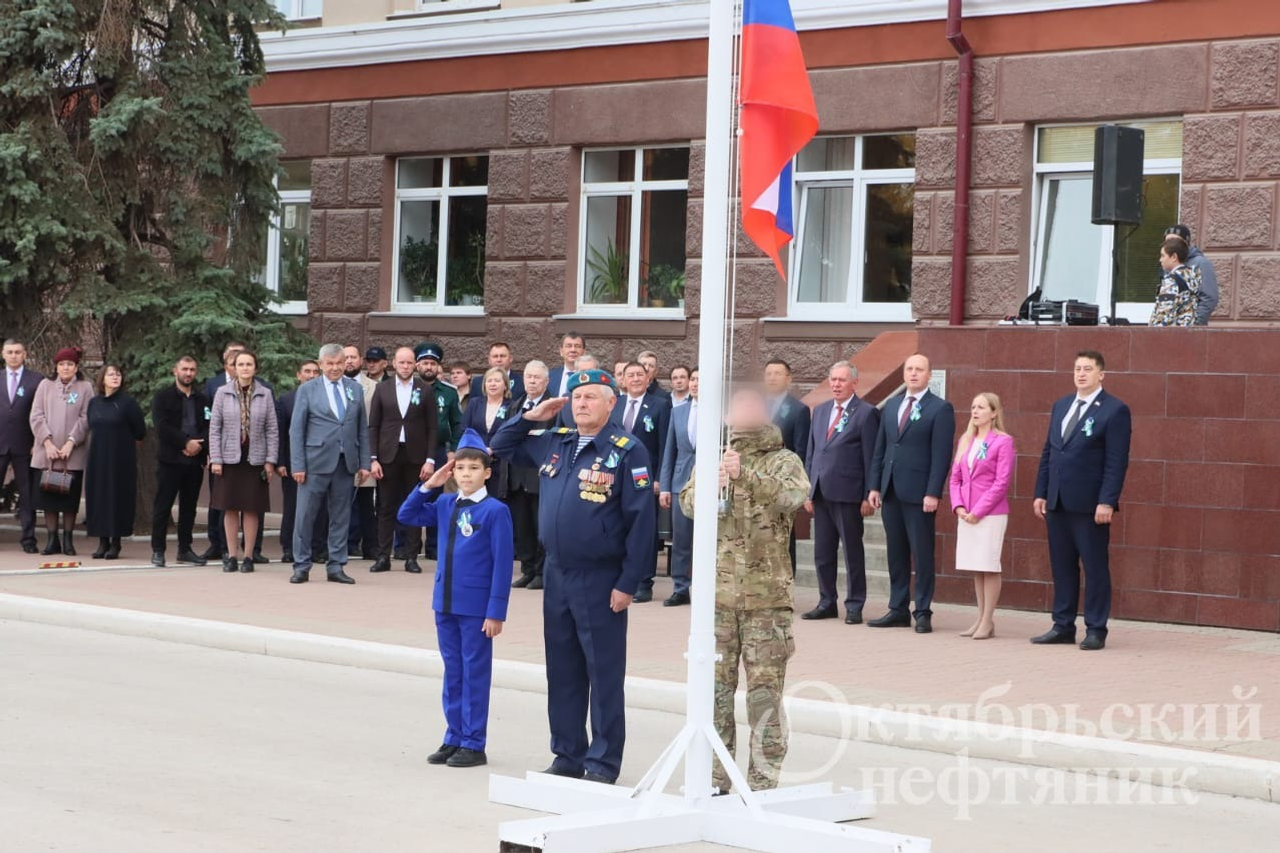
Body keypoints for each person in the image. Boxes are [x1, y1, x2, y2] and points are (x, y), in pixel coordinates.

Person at [490, 370, 655, 785]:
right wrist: (531, 416)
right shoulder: (556, 441)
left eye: (591, 397)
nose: (581, 404)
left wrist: (628, 583)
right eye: (577, 397)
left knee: (602, 672)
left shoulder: (626, 450)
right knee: (562, 670)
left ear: (611, 403)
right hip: (557, 573)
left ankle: (602, 762)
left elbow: (641, 522)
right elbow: (501, 445)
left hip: (600, 576)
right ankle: (567, 754)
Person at [679, 387, 808, 794]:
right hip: (717, 600)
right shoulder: (713, 457)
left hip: (765, 602)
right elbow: (686, 504)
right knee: (715, 695)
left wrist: (745, 477)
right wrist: (710, 485)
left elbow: (793, 497)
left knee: (764, 697)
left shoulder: (783, 460)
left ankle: (762, 784)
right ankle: (716, 779)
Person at [397, 430, 513, 769]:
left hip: (476, 608)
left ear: (487, 473)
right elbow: (407, 515)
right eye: (459, 468)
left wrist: (496, 611)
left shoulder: (495, 511)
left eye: (473, 468)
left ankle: (474, 743)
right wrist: (429, 485)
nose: (465, 474)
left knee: (474, 672)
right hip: (445, 603)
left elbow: (503, 564)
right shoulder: (446, 503)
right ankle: (454, 736)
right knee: (453, 672)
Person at [1032, 350, 1131, 651]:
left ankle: (1096, 628)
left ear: (1101, 374)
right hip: (1057, 501)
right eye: (1077, 368)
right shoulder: (1062, 405)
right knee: (1062, 567)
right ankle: (1062, 625)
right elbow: (1050, 451)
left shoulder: (1114, 410)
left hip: (1090, 506)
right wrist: (1041, 492)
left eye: (1088, 369)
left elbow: (1116, 461)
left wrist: (1107, 501)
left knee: (1095, 567)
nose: (1081, 374)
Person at [867, 354, 955, 634]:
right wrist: (875, 485)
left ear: (929, 375)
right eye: (909, 369)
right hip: (891, 489)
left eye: (919, 369)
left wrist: (933, 492)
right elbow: (881, 448)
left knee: (922, 553)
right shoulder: (892, 405)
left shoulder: (940, 408)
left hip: (920, 494)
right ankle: (898, 609)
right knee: (896, 553)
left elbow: (941, 455)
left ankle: (923, 611)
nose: (914, 373)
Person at [803, 361, 880, 624]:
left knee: (852, 553)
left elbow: (870, 456)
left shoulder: (866, 413)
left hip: (849, 494)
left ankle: (855, 604)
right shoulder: (820, 410)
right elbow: (812, 452)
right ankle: (826, 602)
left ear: (854, 383)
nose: (836, 384)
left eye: (842, 380)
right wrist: (809, 490)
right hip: (821, 492)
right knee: (822, 553)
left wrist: (868, 494)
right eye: (833, 379)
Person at [289, 344, 371, 585]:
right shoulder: (307, 389)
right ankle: (301, 565)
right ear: (321, 364)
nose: (335, 368)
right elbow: (296, 430)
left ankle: (336, 565)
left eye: (339, 363)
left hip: (345, 463)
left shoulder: (354, 389)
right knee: (305, 516)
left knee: (341, 517)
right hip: (314, 463)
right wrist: (298, 465)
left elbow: (361, 429)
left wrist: (364, 462)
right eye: (330, 363)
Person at [948, 393, 1015, 640]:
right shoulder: (966, 439)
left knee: (989, 564)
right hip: (966, 513)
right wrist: (958, 506)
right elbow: (955, 478)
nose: (975, 411)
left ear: (994, 413)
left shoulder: (1003, 441)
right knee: (977, 566)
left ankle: (988, 620)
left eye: (981, 407)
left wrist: (979, 510)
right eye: (973, 407)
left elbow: (1001, 482)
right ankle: (980, 618)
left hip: (990, 514)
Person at [369, 347, 438, 574]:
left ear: (415, 365)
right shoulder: (382, 389)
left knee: (413, 505)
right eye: (402, 362)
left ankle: (411, 557)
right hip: (387, 456)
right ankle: (383, 557)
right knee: (385, 507)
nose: (406, 366)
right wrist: (373, 458)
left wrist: (430, 460)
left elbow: (432, 428)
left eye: (409, 363)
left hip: (415, 457)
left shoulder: (425, 390)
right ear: (394, 364)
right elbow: (373, 425)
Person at [208, 350, 278, 574]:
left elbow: (272, 429)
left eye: (249, 364)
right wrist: (216, 458)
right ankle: (231, 556)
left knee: (251, 508)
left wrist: (270, 460)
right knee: (229, 508)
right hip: (229, 457)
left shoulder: (265, 394)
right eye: (241, 364)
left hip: (254, 458)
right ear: (234, 368)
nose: (245, 368)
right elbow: (215, 427)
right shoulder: (222, 392)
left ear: (255, 368)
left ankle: (248, 556)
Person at [611, 361, 670, 603]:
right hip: (615, 475)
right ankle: (620, 578)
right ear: (623, 380)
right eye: (630, 375)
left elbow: (665, 444)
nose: (635, 379)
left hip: (645, 478)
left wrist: (659, 478)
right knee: (617, 527)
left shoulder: (660, 405)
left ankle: (644, 582)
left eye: (639, 375)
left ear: (648, 379)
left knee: (643, 530)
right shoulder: (615, 403)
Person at [29, 347, 94, 556]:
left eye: (70, 364)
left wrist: (70, 442)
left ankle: (68, 540)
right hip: (47, 453)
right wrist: (47, 443)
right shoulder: (45, 386)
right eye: (62, 364)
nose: (66, 368)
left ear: (76, 367)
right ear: (56, 367)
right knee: (48, 499)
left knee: (69, 500)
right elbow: (36, 415)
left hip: (72, 453)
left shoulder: (85, 387)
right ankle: (51, 540)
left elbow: (86, 417)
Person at [150, 357, 211, 568]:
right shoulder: (162, 397)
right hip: (170, 460)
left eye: (192, 369)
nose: (188, 373)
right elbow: (162, 426)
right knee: (163, 506)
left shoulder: (203, 399)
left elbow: (209, 425)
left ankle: (185, 549)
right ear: (175, 371)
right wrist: (185, 442)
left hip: (194, 462)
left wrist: (199, 445)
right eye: (184, 369)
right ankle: (158, 550)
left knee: (189, 508)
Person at [84, 364, 146, 560]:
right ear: (102, 379)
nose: (115, 377)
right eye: (111, 374)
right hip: (98, 457)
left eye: (118, 374)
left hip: (120, 458)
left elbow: (140, 430)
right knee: (99, 496)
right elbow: (90, 424)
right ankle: (102, 541)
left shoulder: (127, 403)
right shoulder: (94, 403)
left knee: (117, 497)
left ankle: (116, 542)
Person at [411, 341, 462, 562]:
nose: (428, 367)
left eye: (432, 363)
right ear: (417, 365)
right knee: (411, 495)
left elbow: (457, 424)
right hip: (411, 450)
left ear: (438, 366)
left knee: (436, 498)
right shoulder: (409, 388)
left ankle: (433, 546)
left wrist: (454, 450)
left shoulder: (448, 392)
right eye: (425, 363)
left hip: (439, 450)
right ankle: (406, 545)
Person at [276, 360, 327, 565]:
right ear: (299, 375)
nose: (311, 375)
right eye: (307, 371)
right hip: (292, 462)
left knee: (320, 507)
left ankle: (317, 548)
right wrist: (280, 462)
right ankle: (289, 547)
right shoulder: (286, 400)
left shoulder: (325, 398)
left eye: (315, 372)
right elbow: (280, 433)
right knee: (292, 506)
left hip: (320, 461)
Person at [763, 358, 811, 574]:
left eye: (777, 373)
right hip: (756, 481)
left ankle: (786, 582)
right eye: (768, 374)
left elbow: (800, 451)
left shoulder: (798, 410)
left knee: (784, 536)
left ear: (788, 378)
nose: (772, 378)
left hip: (782, 484)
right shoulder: (756, 405)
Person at [508, 360, 551, 590]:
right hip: (517, 475)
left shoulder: (552, 406)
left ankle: (542, 572)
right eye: (528, 377)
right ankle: (527, 569)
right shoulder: (517, 404)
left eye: (537, 377)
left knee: (539, 526)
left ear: (546, 381)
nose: (532, 381)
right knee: (522, 526)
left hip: (540, 475)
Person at [1, 338, 45, 554]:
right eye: (9, 352)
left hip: (26, 445)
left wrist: (37, 442)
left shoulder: (36, 380)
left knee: (27, 495)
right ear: (3, 354)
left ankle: (28, 539)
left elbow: (42, 414)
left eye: (18, 352)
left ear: (25, 354)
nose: (14, 356)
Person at [659, 367, 698, 606]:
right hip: (681, 482)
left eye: (699, 380)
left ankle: (708, 587)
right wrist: (665, 486)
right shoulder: (678, 411)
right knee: (681, 539)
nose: (695, 384)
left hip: (711, 482)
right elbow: (669, 451)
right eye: (693, 379)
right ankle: (680, 587)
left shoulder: (721, 412)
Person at [202, 341, 244, 562]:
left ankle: (243, 547)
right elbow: (208, 419)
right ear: (226, 363)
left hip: (246, 453)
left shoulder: (258, 386)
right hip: (220, 452)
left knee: (243, 501)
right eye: (232, 359)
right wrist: (210, 451)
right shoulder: (213, 384)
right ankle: (216, 544)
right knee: (218, 499)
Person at [345, 345, 379, 560]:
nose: (349, 361)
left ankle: (370, 546)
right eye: (345, 357)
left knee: (366, 502)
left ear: (361, 360)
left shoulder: (374, 387)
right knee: (341, 501)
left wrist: (372, 456)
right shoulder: (333, 386)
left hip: (366, 450)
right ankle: (344, 544)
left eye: (353, 357)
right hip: (341, 451)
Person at [462, 367, 514, 499]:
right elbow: (465, 429)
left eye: (497, 381)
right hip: (475, 461)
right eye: (489, 381)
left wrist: (493, 449)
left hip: (499, 464)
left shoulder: (512, 406)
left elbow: (511, 435)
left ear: (505, 385)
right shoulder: (474, 403)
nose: (492, 384)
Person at [1165, 224, 1219, 325]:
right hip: (1170, 327)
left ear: (1185, 242)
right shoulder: (1168, 264)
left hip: (1190, 328)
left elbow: (1209, 297)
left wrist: (1195, 323)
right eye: (1167, 241)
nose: (1170, 244)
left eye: (1174, 240)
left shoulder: (1201, 263)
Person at [1149, 238, 1200, 327]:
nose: (1160, 260)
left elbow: (1164, 315)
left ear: (1174, 257)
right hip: (1188, 330)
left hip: (1170, 333)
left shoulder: (1171, 281)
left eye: (1163, 256)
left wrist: (1153, 330)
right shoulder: (1192, 276)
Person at [548, 332, 586, 398]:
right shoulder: (549, 377)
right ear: (561, 351)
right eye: (569, 346)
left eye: (577, 346)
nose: (573, 350)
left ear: (584, 352)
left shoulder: (592, 377)